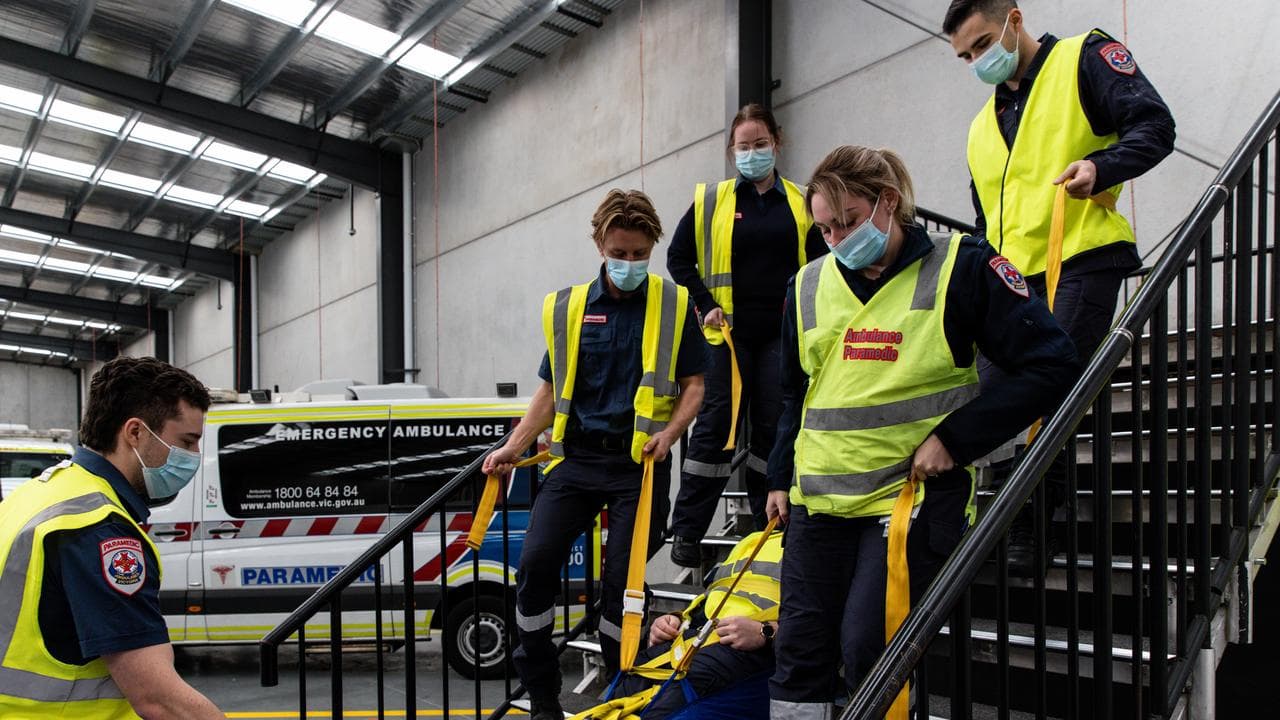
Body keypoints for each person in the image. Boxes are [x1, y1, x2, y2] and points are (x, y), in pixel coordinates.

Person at [764, 146, 1078, 718]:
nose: (837, 240)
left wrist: (958, 440)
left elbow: (1051, 362)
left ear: (888, 202)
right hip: (818, 502)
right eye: (825, 229)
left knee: (869, 649)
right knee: (799, 656)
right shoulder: (806, 287)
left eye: (849, 221)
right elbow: (795, 393)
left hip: (907, 501)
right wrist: (779, 478)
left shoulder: (962, 265)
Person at [943, 0, 1175, 574]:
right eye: (965, 55)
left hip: (1082, 255)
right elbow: (985, 221)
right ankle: (989, 517)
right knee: (987, 395)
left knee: (1049, 382)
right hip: (1014, 281)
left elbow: (1155, 125)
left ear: (1013, 20)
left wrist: (1103, 166)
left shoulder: (1083, 57)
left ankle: (1031, 521)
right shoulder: (979, 126)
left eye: (980, 44)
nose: (976, 60)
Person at [483, 189, 710, 720]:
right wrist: (512, 448)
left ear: (651, 247)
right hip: (576, 462)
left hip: (640, 468)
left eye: (639, 254)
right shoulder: (568, 309)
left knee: (621, 591)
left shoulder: (675, 304)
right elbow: (549, 391)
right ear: (599, 245)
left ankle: (619, 693)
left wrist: (672, 434)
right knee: (536, 566)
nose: (629, 263)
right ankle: (542, 697)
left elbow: (695, 385)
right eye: (619, 252)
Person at [0, 356, 224, 718]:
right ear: (134, 432)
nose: (194, 457)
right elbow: (157, 697)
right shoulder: (98, 528)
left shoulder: (37, 494)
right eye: (187, 441)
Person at [666, 103, 827, 568]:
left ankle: (765, 526)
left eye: (761, 144)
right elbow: (679, 258)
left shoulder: (800, 201)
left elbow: (820, 268)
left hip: (781, 335)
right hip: (726, 337)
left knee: (774, 426)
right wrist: (703, 301)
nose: (752, 152)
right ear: (731, 150)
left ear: (777, 143)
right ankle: (688, 531)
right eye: (744, 146)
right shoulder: (711, 201)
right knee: (716, 426)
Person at [610, 530, 782, 720]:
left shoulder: (814, 549)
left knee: (678, 695)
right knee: (635, 673)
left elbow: (817, 630)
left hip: (750, 650)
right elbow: (714, 596)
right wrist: (678, 621)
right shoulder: (755, 539)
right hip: (702, 638)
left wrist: (766, 632)